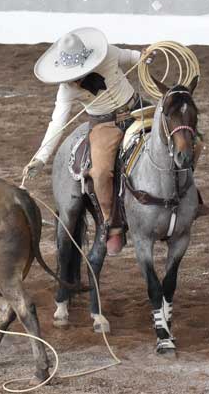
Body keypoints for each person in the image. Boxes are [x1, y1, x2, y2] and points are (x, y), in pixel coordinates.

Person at [23, 28, 144, 256]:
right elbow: (56, 123)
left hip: (138, 108)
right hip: (105, 125)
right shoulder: (66, 90)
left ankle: (188, 198)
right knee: (99, 173)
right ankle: (112, 224)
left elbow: (130, 57)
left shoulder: (107, 54)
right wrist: (40, 158)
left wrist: (145, 55)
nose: (75, 79)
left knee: (182, 134)